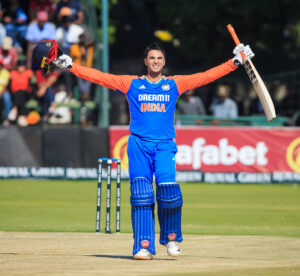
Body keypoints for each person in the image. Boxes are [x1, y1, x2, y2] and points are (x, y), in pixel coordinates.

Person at [37, 41, 254, 260]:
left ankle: (171, 239)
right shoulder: (132, 84)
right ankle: (143, 246)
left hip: (164, 145)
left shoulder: (175, 84)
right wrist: (72, 66)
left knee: (169, 191)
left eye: (159, 58)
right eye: (152, 58)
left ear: (164, 62)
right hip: (139, 144)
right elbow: (99, 77)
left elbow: (206, 76)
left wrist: (235, 61)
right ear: (145, 62)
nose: (156, 61)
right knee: (141, 196)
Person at [8, 59, 33, 126]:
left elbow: (31, 84)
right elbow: (9, 85)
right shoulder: (13, 73)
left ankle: (15, 108)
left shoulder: (28, 72)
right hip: (14, 94)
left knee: (21, 92)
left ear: (24, 67)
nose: (21, 68)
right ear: (17, 66)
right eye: (19, 66)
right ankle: (21, 116)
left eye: (22, 66)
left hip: (26, 94)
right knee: (19, 93)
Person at [0, 58, 11, 125]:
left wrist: (0, 94)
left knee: (7, 97)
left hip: (2, 92)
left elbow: (5, 86)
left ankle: (7, 118)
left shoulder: (6, 73)